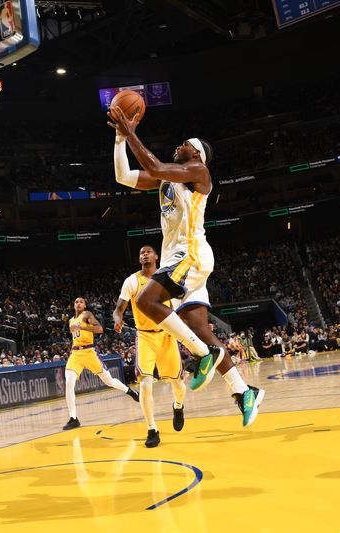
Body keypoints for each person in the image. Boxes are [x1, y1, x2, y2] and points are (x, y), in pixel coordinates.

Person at [107, 106, 264, 427]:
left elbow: (153, 164)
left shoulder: (198, 172)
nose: (178, 146)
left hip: (189, 256)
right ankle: (244, 390)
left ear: (196, 154)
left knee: (145, 301)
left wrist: (131, 131)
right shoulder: (166, 180)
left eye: (184, 144)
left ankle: (203, 354)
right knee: (201, 329)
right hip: (183, 261)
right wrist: (120, 140)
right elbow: (123, 176)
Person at [112, 245, 186, 448]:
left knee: (178, 385)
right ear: (139, 259)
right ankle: (152, 429)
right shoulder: (132, 281)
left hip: (167, 334)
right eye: (141, 252)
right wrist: (117, 319)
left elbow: (180, 302)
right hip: (145, 337)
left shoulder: (167, 278)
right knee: (145, 383)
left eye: (148, 251)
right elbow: (119, 308)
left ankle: (178, 406)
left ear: (156, 256)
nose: (144, 254)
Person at [63, 296, 140, 431]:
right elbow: (75, 336)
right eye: (76, 302)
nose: (78, 303)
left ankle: (130, 391)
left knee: (109, 381)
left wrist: (83, 326)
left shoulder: (86, 315)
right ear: (73, 305)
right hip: (76, 354)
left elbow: (99, 329)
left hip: (89, 352)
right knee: (69, 383)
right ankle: (73, 418)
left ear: (85, 305)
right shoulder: (70, 321)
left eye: (81, 302)